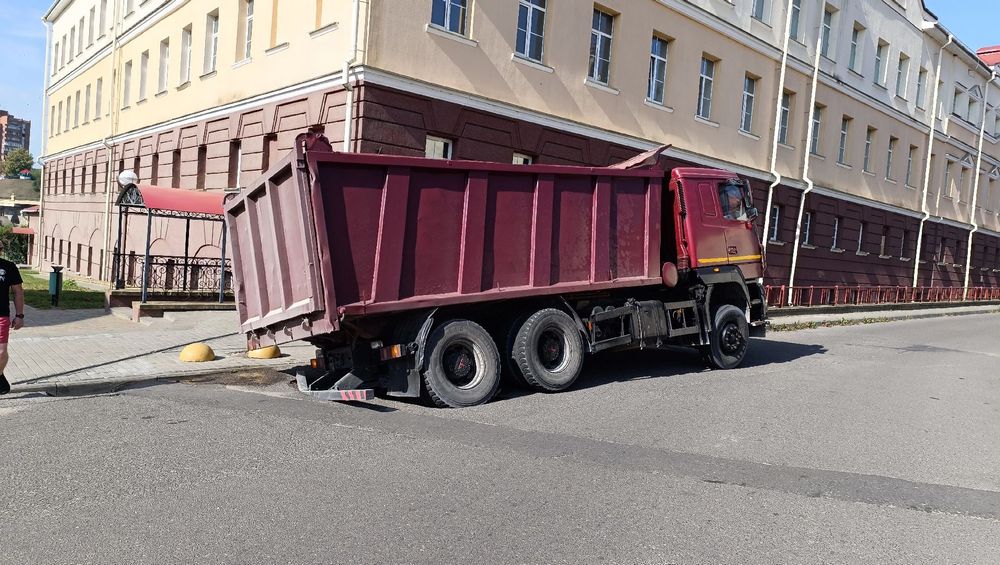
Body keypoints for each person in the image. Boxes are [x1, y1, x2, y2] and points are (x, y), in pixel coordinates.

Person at [0, 240, 24, 395]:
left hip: (1, 315)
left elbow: (18, 291)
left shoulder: (8, 267)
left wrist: (20, 315)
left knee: (1, 352)